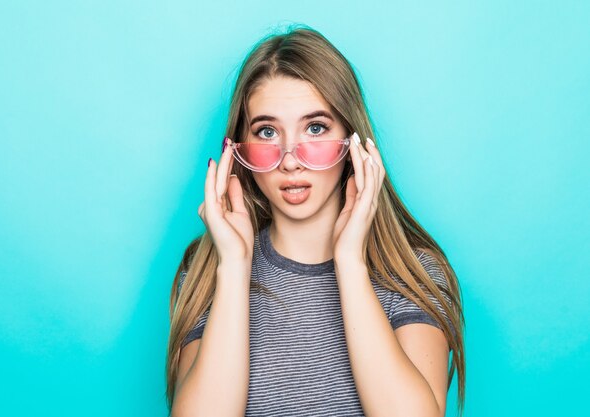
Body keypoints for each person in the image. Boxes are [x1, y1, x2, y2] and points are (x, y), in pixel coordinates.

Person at [166, 25, 465, 417]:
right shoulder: (207, 271)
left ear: (353, 142)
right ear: (239, 148)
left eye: (315, 128)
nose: (290, 159)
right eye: (267, 131)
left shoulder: (413, 274)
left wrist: (350, 262)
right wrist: (234, 267)